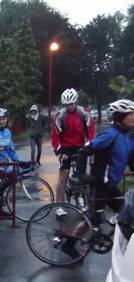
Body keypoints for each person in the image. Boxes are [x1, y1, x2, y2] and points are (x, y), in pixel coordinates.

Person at [61, 99, 134, 258]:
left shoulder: (128, 138)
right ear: (120, 116)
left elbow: (131, 161)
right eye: (131, 114)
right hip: (99, 184)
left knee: (125, 213)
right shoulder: (110, 135)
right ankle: (68, 243)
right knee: (94, 219)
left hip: (111, 185)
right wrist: (82, 174)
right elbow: (84, 151)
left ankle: (116, 240)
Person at [51, 88, 94, 217]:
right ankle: (59, 205)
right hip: (65, 148)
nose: (69, 107)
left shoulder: (84, 113)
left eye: (71, 104)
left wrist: (91, 150)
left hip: (81, 146)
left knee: (81, 175)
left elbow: (90, 133)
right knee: (63, 176)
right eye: (66, 105)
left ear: (75, 102)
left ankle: (80, 197)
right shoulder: (60, 116)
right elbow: (54, 136)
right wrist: (59, 152)